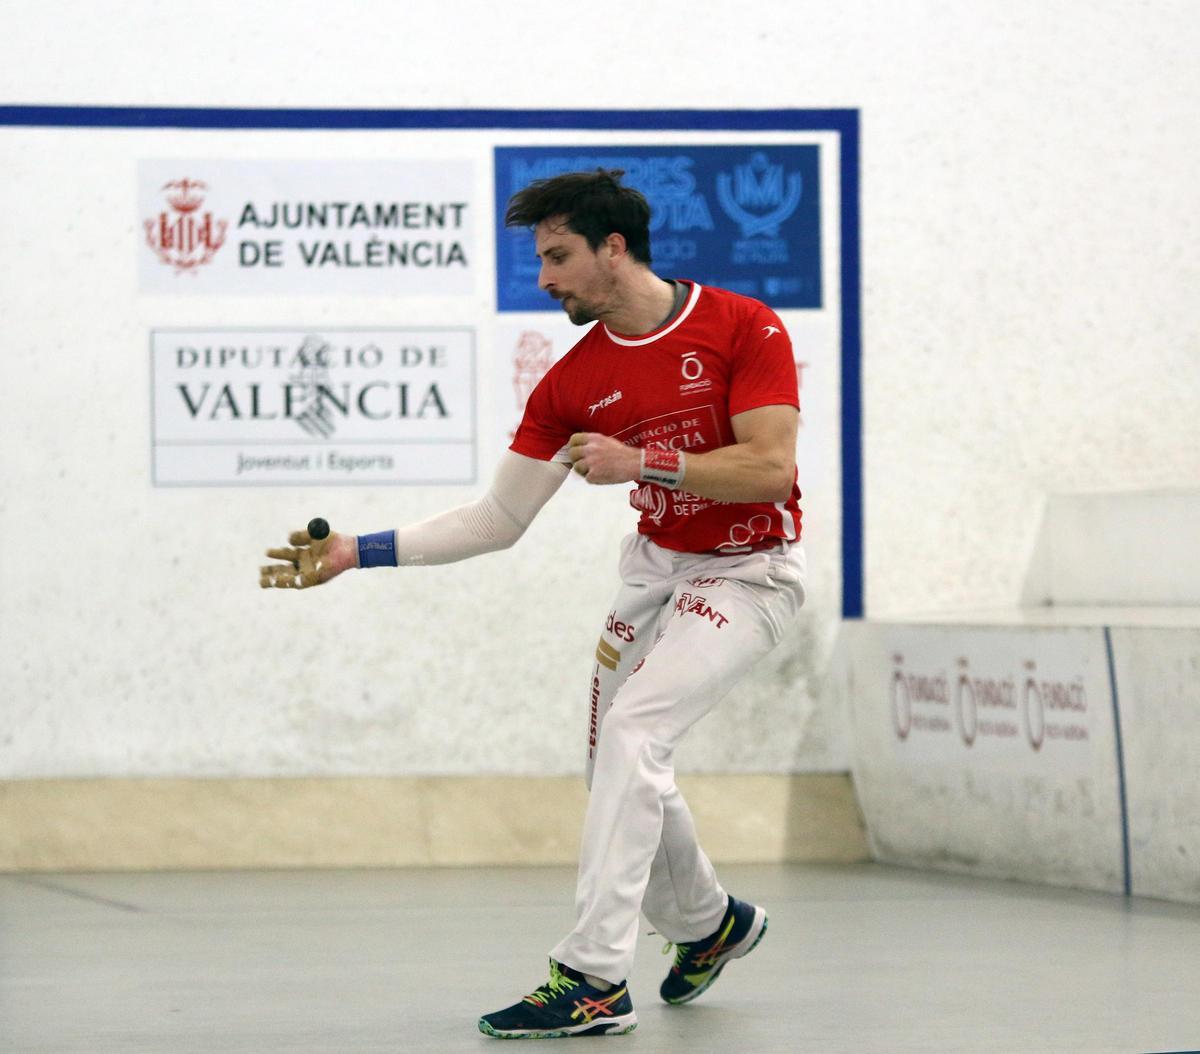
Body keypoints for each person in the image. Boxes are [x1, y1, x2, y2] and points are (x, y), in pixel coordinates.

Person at [260, 169, 806, 1040]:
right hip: (653, 574)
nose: (544, 278)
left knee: (634, 736)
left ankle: (592, 978)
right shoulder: (571, 383)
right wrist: (354, 552)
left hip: (747, 574)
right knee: (618, 770)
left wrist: (646, 464)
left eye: (558, 257)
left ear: (613, 248)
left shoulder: (743, 325)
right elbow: (497, 518)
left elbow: (771, 467)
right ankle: (710, 924)